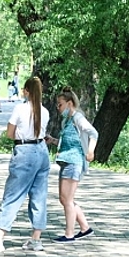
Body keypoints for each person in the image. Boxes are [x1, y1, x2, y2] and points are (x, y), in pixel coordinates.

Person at [0, 77, 51, 253]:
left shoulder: (20, 108)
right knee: (39, 195)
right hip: (42, 151)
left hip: (25, 151)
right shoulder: (44, 111)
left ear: (26, 91)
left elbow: (10, 133)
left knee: (13, 194)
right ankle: (36, 239)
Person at [44, 86, 98, 243]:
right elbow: (69, 142)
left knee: (66, 199)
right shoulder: (67, 121)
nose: (58, 108)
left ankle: (69, 234)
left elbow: (93, 133)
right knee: (65, 198)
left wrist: (91, 152)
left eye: (60, 104)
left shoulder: (77, 118)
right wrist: (53, 140)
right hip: (66, 161)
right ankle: (85, 228)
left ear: (69, 103)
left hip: (74, 162)